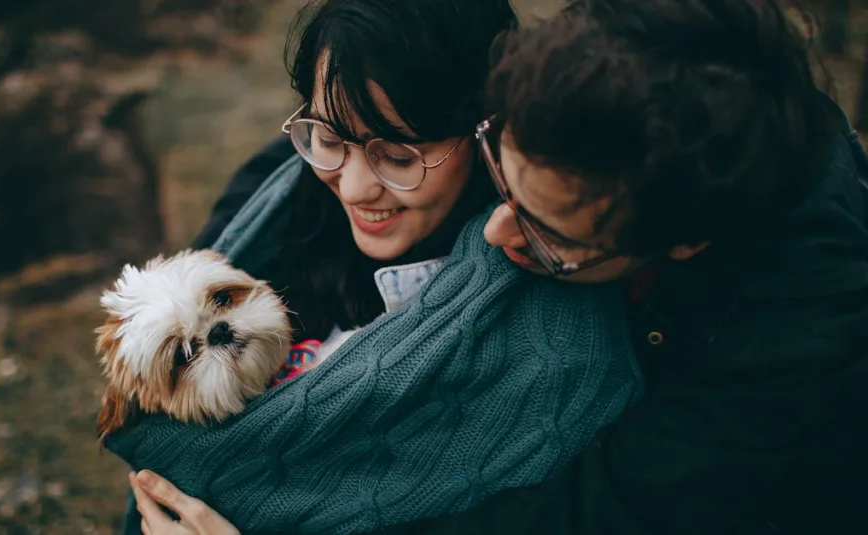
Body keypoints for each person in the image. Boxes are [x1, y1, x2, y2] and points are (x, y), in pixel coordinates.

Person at [129, 0, 868, 533]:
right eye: (502, 179)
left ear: (682, 244)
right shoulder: (592, 81)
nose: (497, 230)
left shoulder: (789, 326)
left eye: (548, 233)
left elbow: (609, 509)